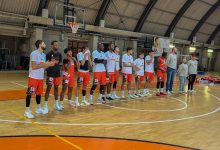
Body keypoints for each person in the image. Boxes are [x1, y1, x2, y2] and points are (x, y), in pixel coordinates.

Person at [24, 40, 55, 119]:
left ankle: (38, 108)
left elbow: (43, 67)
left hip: (40, 77)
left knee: (39, 93)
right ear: (40, 45)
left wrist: (50, 64)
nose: (45, 44)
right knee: (30, 94)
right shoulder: (34, 53)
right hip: (33, 77)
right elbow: (33, 67)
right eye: (44, 43)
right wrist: (44, 64)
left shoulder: (44, 55)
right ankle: (27, 111)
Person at [43, 40, 62, 113]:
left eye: (57, 45)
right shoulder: (48, 54)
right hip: (50, 74)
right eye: (55, 45)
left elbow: (60, 64)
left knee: (56, 89)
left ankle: (56, 104)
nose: (56, 46)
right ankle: (45, 106)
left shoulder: (60, 55)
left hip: (57, 74)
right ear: (52, 46)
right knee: (48, 89)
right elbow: (45, 64)